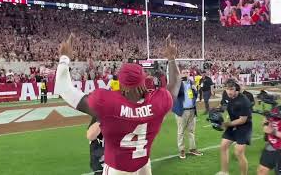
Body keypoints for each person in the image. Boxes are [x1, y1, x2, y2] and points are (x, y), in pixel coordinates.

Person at [55, 34, 181, 175]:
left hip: (117, 169)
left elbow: (63, 88)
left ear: (121, 84)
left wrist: (64, 58)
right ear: (143, 81)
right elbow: (175, 84)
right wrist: (171, 58)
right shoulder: (158, 101)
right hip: (144, 166)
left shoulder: (108, 103)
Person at [216, 79, 253, 175]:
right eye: (227, 89)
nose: (229, 92)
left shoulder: (244, 100)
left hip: (244, 126)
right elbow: (223, 105)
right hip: (232, 124)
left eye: (231, 89)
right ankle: (224, 172)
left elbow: (242, 120)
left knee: (238, 152)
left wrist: (227, 124)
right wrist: (217, 111)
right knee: (223, 146)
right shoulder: (226, 94)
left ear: (236, 88)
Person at [172, 68, 203, 159]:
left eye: (187, 72)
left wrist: (195, 90)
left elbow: (194, 96)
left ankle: (192, 148)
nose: (186, 74)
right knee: (180, 131)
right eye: (184, 72)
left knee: (191, 131)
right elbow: (174, 94)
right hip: (182, 111)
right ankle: (181, 150)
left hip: (192, 110)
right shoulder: (178, 83)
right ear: (181, 74)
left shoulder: (191, 83)